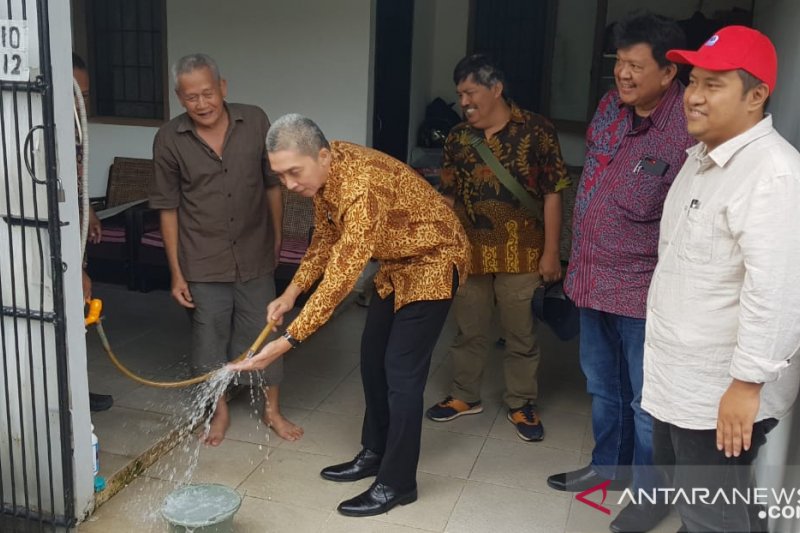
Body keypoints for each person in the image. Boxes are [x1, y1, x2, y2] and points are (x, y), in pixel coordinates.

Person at [229, 114, 470, 517]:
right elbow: (325, 239)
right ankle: (374, 452)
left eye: (294, 173)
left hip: (434, 259)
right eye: (280, 175)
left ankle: (397, 483)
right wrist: (290, 292)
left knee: (401, 373)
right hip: (396, 265)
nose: (289, 185)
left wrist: (285, 344)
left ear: (321, 155)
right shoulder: (327, 173)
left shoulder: (360, 187)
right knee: (373, 359)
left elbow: (340, 278)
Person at [643, 26, 800, 532]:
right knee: (711, 504)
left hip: (722, 392)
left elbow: (779, 290)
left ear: (756, 96)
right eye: (693, 81)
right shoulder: (702, 159)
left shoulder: (772, 175)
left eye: (714, 85)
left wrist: (745, 384)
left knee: (711, 516)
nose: (693, 96)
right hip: (680, 380)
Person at [547, 13, 694, 533]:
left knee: (646, 401)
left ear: (669, 71)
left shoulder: (687, 128)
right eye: (619, 63)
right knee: (602, 387)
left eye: (636, 65)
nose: (623, 75)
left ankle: (653, 496)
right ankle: (607, 470)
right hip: (590, 278)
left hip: (642, 291)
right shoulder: (610, 106)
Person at [149, 53, 300, 445]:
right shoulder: (169, 138)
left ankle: (272, 411)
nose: (201, 104)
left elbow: (272, 184)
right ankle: (218, 414)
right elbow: (168, 209)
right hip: (201, 258)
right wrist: (176, 272)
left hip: (255, 251)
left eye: (207, 93)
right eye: (191, 97)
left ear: (223, 88)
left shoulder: (255, 121)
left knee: (266, 331)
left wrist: (278, 236)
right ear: (179, 98)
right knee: (208, 339)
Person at [425, 54, 569, 442]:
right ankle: (463, 395)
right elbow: (450, 197)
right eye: (460, 95)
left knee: (520, 334)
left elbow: (553, 194)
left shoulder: (537, 131)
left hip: (522, 253)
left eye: (470, 92)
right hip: (471, 253)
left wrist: (552, 252)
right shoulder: (457, 137)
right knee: (468, 330)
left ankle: (521, 402)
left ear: (496, 89)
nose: (464, 101)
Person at [73, 53, 113, 413]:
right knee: (65, 326)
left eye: (85, 96)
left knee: (77, 326)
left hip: (74, 238)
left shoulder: (75, 128)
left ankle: (77, 394)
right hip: (54, 257)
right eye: (74, 94)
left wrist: (90, 211)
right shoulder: (39, 136)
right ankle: (67, 401)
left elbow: (74, 182)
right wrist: (78, 271)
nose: (80, 103)